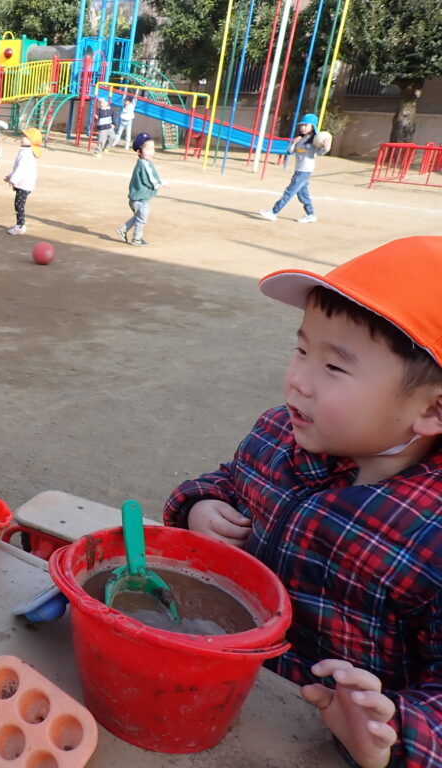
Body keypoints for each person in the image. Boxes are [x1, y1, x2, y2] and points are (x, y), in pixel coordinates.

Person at [163, 237, 442, 768]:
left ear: (433, 410)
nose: (298, 379)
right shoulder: (278, 435)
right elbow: (228, 481)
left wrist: (392, 732)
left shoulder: (431, 532)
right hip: (221, 674)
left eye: (334, 367)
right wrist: (200, 505)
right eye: (301, 350)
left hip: (316, 734)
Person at [259, 113, 328, 224]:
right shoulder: (301, 139)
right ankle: (311, 214)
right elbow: (290, 152)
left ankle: (274, 212)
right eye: (302, 125)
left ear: (313, 127)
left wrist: (326, 147)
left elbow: (320, 153)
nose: (303, 127)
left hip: (305, 171)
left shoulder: (315, 140)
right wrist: (293, 143)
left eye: (306, 125)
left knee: (289, 192)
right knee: (303, 194)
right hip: (299, 171)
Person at [115, 132, 164, 247]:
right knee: (141, 219)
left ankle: (123, 229)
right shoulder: (144, 164)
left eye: (153, 149)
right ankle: (136, 239)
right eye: (148, 149)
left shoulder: (144, 162)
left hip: (136, 198)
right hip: (140, 199)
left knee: (139, 217)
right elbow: (149, 179)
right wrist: (159, 184)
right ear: (139, 152)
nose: (151, 152)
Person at [3, 127, 41, 236]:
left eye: (26, 137)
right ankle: (20, 224)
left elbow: (21, 168)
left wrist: (13, 180)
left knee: (19, 205)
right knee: (19, 204)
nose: (22, 138)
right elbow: (17, 168)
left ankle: (20, 226)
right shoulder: (25, 151)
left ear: (31, 141)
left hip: (24, 184)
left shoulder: (26, 153)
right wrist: (10, 176)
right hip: (25, 183)